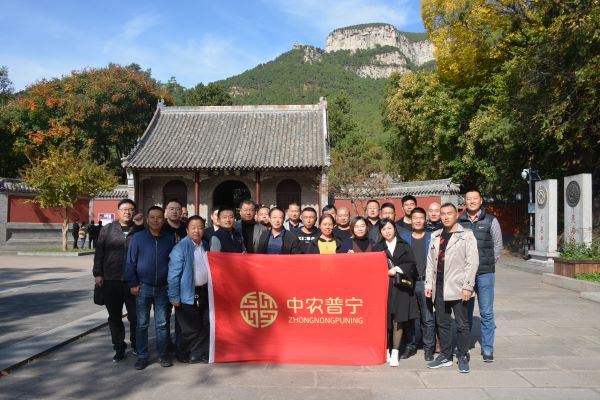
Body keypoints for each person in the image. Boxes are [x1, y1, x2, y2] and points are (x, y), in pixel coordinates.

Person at [425, 203, 479, 373]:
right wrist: (429, 284)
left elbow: (472, 262)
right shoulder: (435, 235)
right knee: (442, 322)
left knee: (462, 324)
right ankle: (446, 355)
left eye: (449, 213)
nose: (446, 217)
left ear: (456, 215)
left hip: (458, 286)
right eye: (443, 214)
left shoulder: (466, 235)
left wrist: (468, 287)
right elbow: (430, 262)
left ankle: (462, 355)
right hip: (439, 285)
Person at [126, 206, 176, 370]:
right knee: (142, 324)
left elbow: (174, 262)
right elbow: (130, 262)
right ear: (147, 220)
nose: (156, 220)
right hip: (143, 287)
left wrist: (171, 283)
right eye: (152, 217)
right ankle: (142, 356)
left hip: (163, 288)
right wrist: (133, 283)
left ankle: (163, 354)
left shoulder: (169, 238)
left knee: (162, 323)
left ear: (163, 219)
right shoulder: (138, 238)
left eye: (159, 217)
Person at [93, 199, 141, 362]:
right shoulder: (107, 229)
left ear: (134, 212)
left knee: (135, 317)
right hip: (110, 280)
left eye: (131, 209)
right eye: (124, 209)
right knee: (114, 318)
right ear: (118, 211)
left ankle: (136, 344)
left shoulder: (140, 230)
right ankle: (119, 347)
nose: (127, 212)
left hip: (133, 281)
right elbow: (99, 253)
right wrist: (98, 273)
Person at [458, 189, 503, 362]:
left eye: (475, 198)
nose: (472, 201)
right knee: (465, 312)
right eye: (468, 198)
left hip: (485, 273)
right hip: (465, 275)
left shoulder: (491, 220)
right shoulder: (459, 221)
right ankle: (465, 347)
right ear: (465, 201)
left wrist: (488, 262)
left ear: (481, 200)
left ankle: (488, 348)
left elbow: (497, 245)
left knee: (486, 312)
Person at [373, 218, 418, 367]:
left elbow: (411, 264)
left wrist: (397, 269)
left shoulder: (404, 245)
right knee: (384, 319)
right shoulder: (377, 247)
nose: (387, 231)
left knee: (398, 319)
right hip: (384, 287)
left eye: (389, 228)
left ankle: (395, 351)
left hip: (401, 287)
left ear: (394, 229)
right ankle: (385, 349)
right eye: (383, 229)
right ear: (380, 232)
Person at [168, 215, 210, 364]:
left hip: (205, 291)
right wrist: (174, 296)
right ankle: (182, 351)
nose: (197, 231)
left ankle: (199, 353)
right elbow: (173, 275)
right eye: (193, 227)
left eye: (200, 227)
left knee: (206, 323)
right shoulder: (180, 248)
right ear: (187, 230)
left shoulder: (205, 245)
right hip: (187, 293)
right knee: (190, 329)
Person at [400, 208, 434, 361]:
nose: (418, 220)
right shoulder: (404, 237)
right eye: (415, 218)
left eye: (421, 218)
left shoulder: (432, 237)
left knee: (427, 317)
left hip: (425, 281)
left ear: (425, 220)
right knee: (409, 317)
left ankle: (428, 348)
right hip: (408, 282)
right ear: (411, 220)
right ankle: (410, 346)